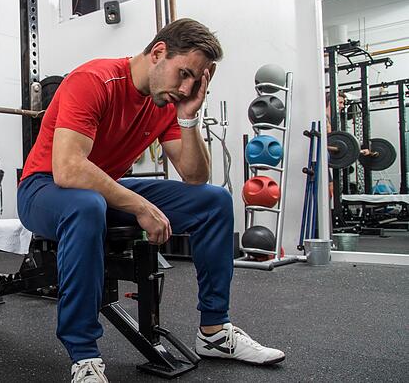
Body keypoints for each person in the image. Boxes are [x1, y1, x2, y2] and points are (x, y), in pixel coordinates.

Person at [17, 19, 285, 382]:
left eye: (196, 80)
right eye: (184, 73)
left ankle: (214, 332)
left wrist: (189, 119)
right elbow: (67, 170)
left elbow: (194, 176)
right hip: (43, 187)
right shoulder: (95, 80)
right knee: (86, 205)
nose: (187, 87)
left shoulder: (166, 102)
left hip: (101, 186)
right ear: (158, 52)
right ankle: (84, 355)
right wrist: (141, 207)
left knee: (214, 201)